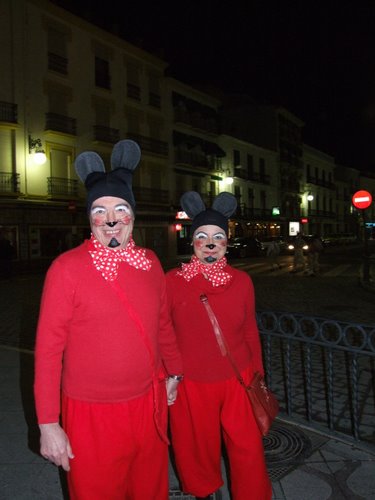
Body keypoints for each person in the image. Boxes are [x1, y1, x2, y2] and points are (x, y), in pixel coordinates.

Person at [34, 140, 183, 500]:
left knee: (149, 492)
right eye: (100, 210)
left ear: (132, 214)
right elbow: (48, 352)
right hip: (90, 414)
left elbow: (163, 325)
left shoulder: (149, 263)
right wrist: (48, 424)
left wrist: (174, 373)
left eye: (120, 208)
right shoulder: (66, 269)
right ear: (89, 219)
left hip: (148, 404)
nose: (111, 220)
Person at [166, 191, 272, 500]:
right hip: (191, 382)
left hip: (238, 380)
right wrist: (169, 376)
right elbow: (164, 332)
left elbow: (251, 331)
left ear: (226, 241)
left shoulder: (241, 281)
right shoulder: (173, 281)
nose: (210, 243)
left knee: (248, 448)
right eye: (202, 236)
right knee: (196, 448)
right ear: (192, 241)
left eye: (218, 236)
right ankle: (205, 493)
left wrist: (258, 376)